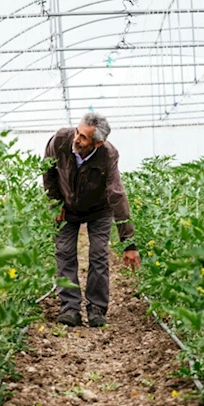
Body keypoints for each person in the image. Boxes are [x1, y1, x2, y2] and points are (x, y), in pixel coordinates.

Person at [42, 112, 141, 328]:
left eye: (83, 137)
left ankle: (96, 308)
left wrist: (128, 243)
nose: (76, 139)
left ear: (97, 144)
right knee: (65, 252)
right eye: (77, 132)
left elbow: (116, 194)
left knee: (98, 254)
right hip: (66, 208)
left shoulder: (108, 155)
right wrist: (55, 203)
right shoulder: (59, 140)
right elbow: (47, 172)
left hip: (99, 210)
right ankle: (70, 308)